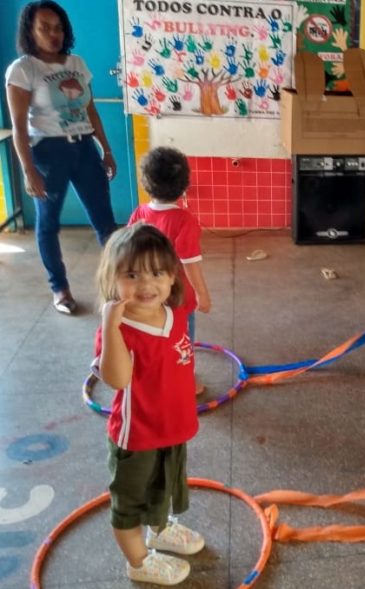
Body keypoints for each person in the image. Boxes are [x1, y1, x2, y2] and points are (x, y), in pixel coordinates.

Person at [93, 223, 204, 585]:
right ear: (113, 280)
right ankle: (138, 562)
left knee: (163, 486)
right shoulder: (118, 331)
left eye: (157, 273)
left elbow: (192, 282)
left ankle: (159, 529)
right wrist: (111, 328)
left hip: (173, 427)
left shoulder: (176, 314)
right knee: (129, 505)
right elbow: (117, 379)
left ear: (172, 277)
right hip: (138, 436)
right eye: (131, 274)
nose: (146, 284)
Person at [5, 0, 117, 314]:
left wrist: (106, 150)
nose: (53, 34)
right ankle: (60, 288)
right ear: (30, 31)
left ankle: (118, 283)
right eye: (45, 28)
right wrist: (28, 170)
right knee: (49, 223)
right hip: (47, 153)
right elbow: (18, 126)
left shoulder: (77, 63)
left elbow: (91, 111)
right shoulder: (23, 69)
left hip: (84, 148)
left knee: (105, 221)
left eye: (58, 28)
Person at [129, 146, 211, 395]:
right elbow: (190, 262)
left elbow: (127, 251)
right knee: (181, 342)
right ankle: (186, 382)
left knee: (153, 338)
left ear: (146, 183)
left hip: (145, 295)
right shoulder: (185, 220)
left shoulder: (140, 212)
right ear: (184, 184)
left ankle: (154, 376)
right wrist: (202, 294)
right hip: (177, 297)